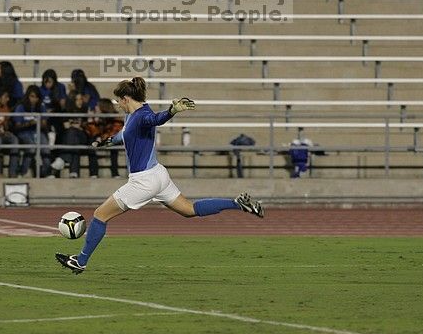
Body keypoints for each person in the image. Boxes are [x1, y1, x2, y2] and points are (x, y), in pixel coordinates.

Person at [55, 77, 265, 274]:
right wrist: (105, 141)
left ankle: (80, 261)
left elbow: (156, 119)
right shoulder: (133, 114)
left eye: (119, 101)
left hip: (144, 180)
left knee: (100, 214)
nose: (118, 104)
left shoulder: (141, 116)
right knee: (189, 210)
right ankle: (238, 203)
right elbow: (123, 135)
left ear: (126, 99)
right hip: (158, 175)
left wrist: (172, 111)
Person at [52, 92, 98, 178]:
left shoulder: (85, 110)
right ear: (73, 101)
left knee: (72, 133)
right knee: (74, 141)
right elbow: (65, 125)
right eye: (77, 99)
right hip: (74, 139)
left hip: (83, 137)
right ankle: (74, 173)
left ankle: (62, 158)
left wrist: (74, 125)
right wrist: (77, 126)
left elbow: (87, 126)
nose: (80, 101)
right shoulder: (67, 111)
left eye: (81, 99)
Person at [12, 85, 52, 177]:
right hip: (23, 132)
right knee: (31, 148)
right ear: (28, 96)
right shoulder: (20, 107)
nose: (34, 99)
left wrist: (38, 123)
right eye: (32, 96)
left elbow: (44, 124)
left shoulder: (41, 107)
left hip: (38, 131)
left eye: (36, 97)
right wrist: (30, 123)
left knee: (45, 148)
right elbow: (17, 126)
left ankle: (47, 172)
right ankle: (23, 172)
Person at [89, 98, 124, 178]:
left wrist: (102, 139)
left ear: (103, 107)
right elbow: (91, 131)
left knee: (114, 143)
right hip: (100, 139)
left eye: (97, 106)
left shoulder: (115, 116)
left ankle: (115, 172)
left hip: (111, 139)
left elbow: (116, 131)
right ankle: (94, 173)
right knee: (91, 143)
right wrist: (92, 120)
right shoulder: (96, 116)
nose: (95, 107)